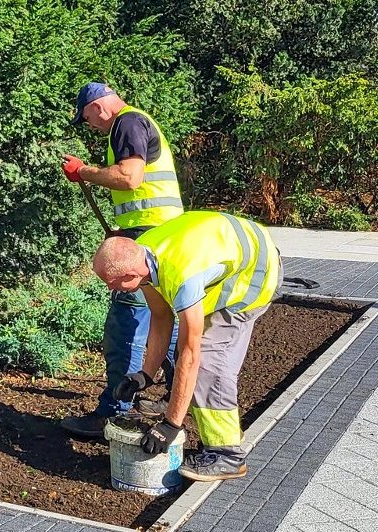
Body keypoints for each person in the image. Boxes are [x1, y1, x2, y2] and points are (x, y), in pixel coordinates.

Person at [92, 210, 280, 481]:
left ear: (130, 274)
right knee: (192, 353)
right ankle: (218, 432)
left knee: (207, 362)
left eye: (113, 284)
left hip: (254, 273)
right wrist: (144, 375)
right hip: (229, 251)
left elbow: (191, 356)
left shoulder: (183, 277)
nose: (113, 290)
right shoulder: (143, 256)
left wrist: (170, 425)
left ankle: (227, 455)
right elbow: (161, 315)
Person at [58, 82, 185, 440]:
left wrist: (84, 172)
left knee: (125, 321)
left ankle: (115, 411)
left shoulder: (126, 124)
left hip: (146, 235)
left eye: (87, 119)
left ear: (97, 108)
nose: (92, 127)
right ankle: (176, 397)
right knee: (164, 317)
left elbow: (130, 177)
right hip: (157, 234)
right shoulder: (138, 122)